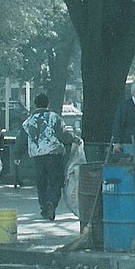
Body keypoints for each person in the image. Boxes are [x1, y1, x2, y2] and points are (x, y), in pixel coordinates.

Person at [13, 93, 80, 221]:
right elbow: (63, 134)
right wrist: (74, 139)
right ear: (48, 104)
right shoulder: (54, 118)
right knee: (55, 181)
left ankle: (44, 207)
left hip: (37, 157)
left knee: (41, 183)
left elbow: (21, 140)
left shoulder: (28, 121)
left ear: (35, 104)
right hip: (54, 155)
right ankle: (51, 203)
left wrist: (17, 156)